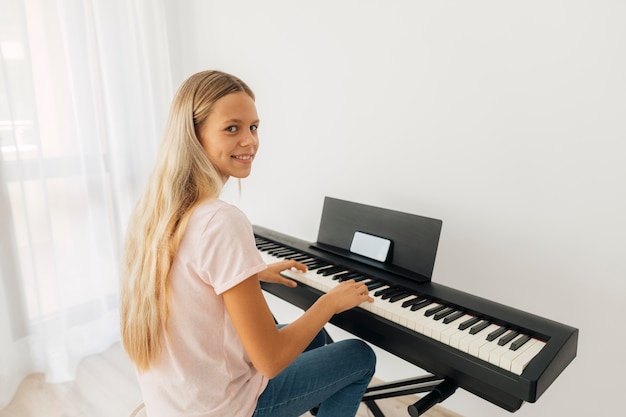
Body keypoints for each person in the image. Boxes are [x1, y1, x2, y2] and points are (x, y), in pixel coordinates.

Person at [120, 70, 376, 417]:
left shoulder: (157, 208)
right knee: (358, 355)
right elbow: (269, 361)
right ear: (195, 135)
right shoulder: (220, 219)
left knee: (313, 341)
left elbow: (190, 281)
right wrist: (328, 303)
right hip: (221, 409)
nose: (249, 141)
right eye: (232, 128)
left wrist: (250, 274)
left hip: (176, 404)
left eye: (254, 127)